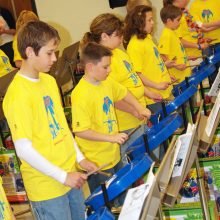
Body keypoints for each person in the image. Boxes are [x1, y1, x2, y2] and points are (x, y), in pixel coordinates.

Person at [3, 20, 97, 220]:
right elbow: (24, 149)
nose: (55, 58)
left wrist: (80, 158)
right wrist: (63, 176)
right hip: (47, 187)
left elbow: (62, 127)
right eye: (49, 53)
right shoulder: (18, 94)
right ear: (29, 52)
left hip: (69, 174)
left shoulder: (49, 81)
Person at [71, 42, 150, 194]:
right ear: (90, 67)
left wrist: (139, 108)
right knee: (107, 204)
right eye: (105, 67)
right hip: (96, 163)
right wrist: (111, 138)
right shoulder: (80, 94)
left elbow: (124, 92)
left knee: (123, 195)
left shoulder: (106, 82)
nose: (110, 70)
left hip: (113, 155)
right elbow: (80, 131)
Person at [81, 13, 152, 164]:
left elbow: (129, 83)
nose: (121, 38)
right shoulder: (103, 64)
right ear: (105, 36)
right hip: (124, 124)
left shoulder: (119, 53)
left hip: (137, 117)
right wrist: (134, 110)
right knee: (135, 167)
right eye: (118, 35)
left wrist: (141, 104)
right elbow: (112, 97)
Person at [124, 5, 172, 114]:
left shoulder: (147, 38)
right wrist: (157, 85)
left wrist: (166, 75)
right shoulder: (135, 45)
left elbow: (154, 62)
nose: (153, 23)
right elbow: (137, 74)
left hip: (164, 90)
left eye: (152, 19)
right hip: (154, 97)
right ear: (139, 23)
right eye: (149, 20)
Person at [158, 4, 191, 83]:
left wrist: (187, 57)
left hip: (184, 75)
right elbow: (162, 56)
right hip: (179, 78)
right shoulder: (166, 34)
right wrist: (176, 66)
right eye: (178, 20)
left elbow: (177, 53)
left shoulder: (172, 32)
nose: (179, 23)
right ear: (169, 21)